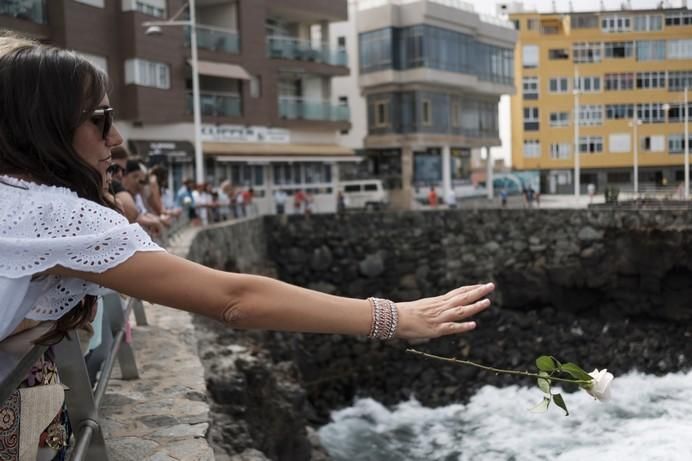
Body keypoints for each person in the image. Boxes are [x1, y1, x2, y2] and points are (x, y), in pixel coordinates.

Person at [0, 36, 495, 457]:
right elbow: (234, 300)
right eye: (101, 118)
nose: (117, 136)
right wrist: (394, 319)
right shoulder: (48, 213)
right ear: (44, 126)